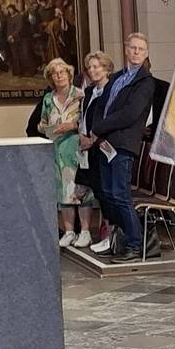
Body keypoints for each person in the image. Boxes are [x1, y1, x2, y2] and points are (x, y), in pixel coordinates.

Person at [85, 32, 159, 260]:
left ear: (146, 54)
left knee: (120, 194)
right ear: (126, 49)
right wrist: (96, 131)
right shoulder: (117, 77)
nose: (136, 52)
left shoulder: (146, 82)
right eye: (133, 48)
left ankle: (135, 244)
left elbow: (130, 114)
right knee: (107, 194)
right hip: (104, 143)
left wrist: (99, 129)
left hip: (123, 143)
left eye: (141, 49)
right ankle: (119, 240)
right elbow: (101, 106)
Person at [33, 58, 90, 246]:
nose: (59, 76)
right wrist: (46, 127)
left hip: (76, 148)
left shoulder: (80, 95)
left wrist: (71, 125)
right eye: (54, 74)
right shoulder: (48, 99)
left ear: (69, 74)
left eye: (62, 72)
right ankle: (69, 231)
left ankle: (85, 231)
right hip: (57, 148)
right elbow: (41, 123)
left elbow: (88, 120)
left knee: (80, 190)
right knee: (63, 191)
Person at [76, 50, 116, 249]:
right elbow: (85, 117)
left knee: (106, 191)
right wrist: (82, 136)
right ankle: (100, 233)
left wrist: (92, 139)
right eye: (90, 67)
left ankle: (111, 235)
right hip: (88, 146)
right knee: (94, 191)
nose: (92, 70)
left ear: (106, 68)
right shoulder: (90, 91)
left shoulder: (112, 90)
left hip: (103, 146)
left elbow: (109, 120)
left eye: (96, 66)